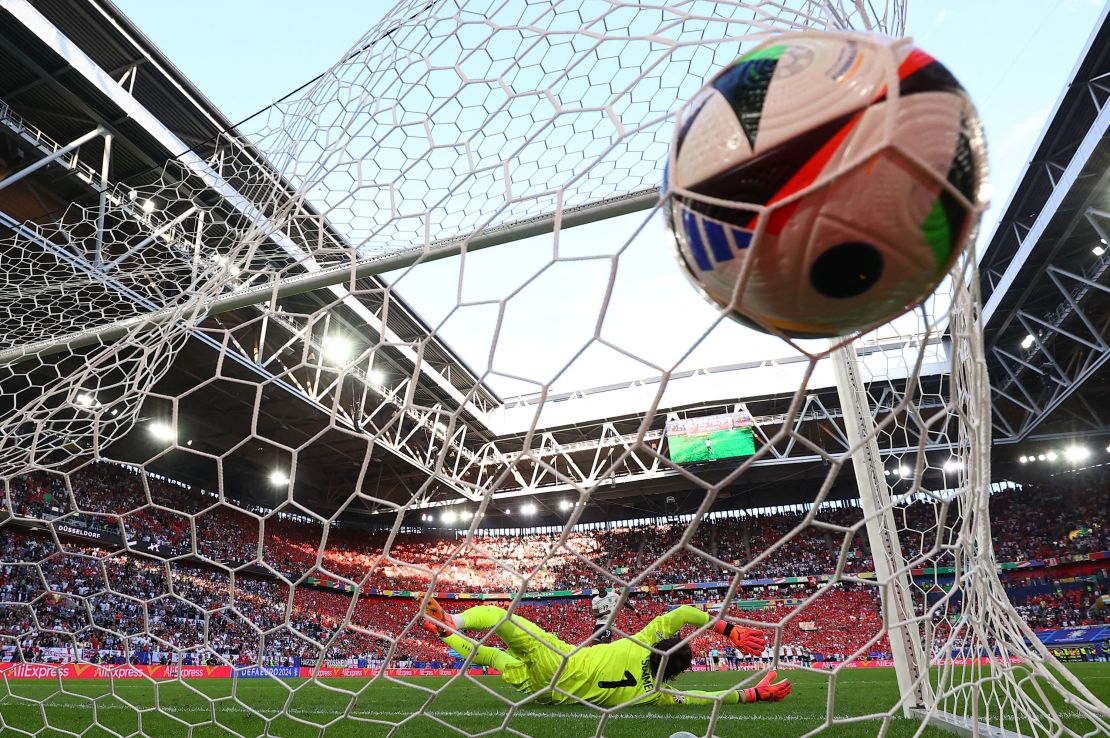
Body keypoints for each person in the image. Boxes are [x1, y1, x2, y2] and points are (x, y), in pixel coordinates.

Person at [422, 599, 791, 708]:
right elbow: (706, 697)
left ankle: (453, 623)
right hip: (549, 694)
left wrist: (730, 630)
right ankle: (444, 633)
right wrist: (755, 693)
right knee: (492, 658)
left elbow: (681, 615)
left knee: (497, 618)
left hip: (560, 659)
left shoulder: (642, 642)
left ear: (659, 646)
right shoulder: (658, 695)